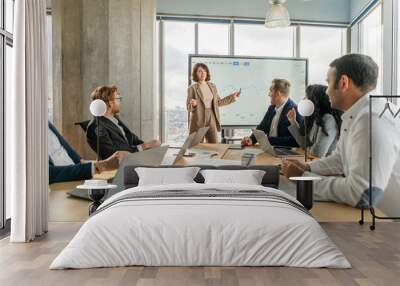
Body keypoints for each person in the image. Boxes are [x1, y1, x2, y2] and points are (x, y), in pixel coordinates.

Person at [282, 54, 400, 209]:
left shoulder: (371, 119)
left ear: (344, 82)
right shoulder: (357, 114)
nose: (327, 91)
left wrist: (303, 178)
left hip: (387, 224)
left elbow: (362, 194)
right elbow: (340, 159)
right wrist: (308, 168)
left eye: (329, 82)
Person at [86, 85, 161, 160]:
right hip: (119, 167)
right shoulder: (96, 126)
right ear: (110, 103)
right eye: (118, 98)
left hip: (134, 159)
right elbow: (112, 154)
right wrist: (143, 147)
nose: (120, 101)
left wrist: (150, 147)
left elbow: (133, 139)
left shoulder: (114, 119)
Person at [48, 122, 121, 184]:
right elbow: (48, 173)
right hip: (59, 186)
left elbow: (78, 160)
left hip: (78, 180)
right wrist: (101, 166)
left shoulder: (46, 122)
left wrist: (108, 161)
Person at [187, 63, 241, 143]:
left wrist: (232, 96)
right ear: (195, 73)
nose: (203, 73)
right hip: (198, 119)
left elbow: (218, 102)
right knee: (196, 146)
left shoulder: (212, 86)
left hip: (211, 117)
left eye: (204, 71)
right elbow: (188, 107)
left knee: (214, 144)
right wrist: (193, 104)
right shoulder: (192, 88)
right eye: (200, 71)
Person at [241, 78, 303, 147]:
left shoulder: (295, 110)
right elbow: (262, 127)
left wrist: (268, 140)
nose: (269, 94)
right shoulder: (271, 108)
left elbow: (296, 141)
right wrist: (251, 139)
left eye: (271, 91)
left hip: (285, 153)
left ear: (278, 93)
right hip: (270, 150)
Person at [287, 84, 342, 157]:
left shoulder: (328, 119)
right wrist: (293, 122)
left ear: (315, 100)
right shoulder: (314, 118)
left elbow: (317, 153)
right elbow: (304, 144)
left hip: (323, 166)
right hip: (312, 162)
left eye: (306, 97)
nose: (303, 99)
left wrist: (306, 149)